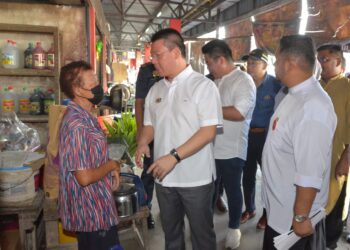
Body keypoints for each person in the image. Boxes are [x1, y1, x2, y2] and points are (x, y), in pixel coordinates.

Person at [135, 28, 222, 250]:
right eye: (151, 56)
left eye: (157, 55)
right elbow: (149, 125)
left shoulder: (203, 86)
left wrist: (173, 157)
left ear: (175, 52)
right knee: (172, 236)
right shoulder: (155, 89)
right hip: (164, 180)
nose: (153, 61)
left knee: (202, 237)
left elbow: (208, 131)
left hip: (196, 179)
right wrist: (143, 142)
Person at [261, 35, 337, 250]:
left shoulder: (313, 106)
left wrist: (301, 217)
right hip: (282, 211)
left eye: (276, 60)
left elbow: (310, 170)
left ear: (288, 63)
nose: (275, 65)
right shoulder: (293, 95)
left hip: (294, 222)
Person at [58, 61, 121, 250]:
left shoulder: (86, 116)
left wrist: (112, 170)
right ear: (78, 89)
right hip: (91, 212)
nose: (98, 85)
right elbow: (84, 178)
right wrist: (112, 165)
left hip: (98, 205)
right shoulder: (76, 124)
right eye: (92, 80)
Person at [202, 39, 256, 249]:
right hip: (210, 146)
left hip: (232, 149)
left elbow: (239, 113)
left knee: (233, 189)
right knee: (210, 190)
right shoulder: (215, 81)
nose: (208, 67)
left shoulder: (243, 81)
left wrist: (210, 109)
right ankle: (205, 225)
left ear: (221, 60)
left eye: (208, 63)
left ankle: (234, 228)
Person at [241, 49, 281, 230]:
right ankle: (250, 209)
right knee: (247, 175)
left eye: (254, 63)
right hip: (246, 136)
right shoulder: (243, 83)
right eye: (248, 63)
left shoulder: (276, 85)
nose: (249, 66)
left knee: (268, 177)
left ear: (265, 65)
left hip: (266, 136)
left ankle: (268, 214)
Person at [317, 44, 350, 249]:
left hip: (337, 157)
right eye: (319, 59)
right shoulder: (314, 86)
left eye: (325, 59)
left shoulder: (347, 88)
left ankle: (329, 244)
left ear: (338, 61)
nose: (321, 63)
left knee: (334, 207)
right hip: (313, 159)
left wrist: (346, 160)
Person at [135, 62, 162, 229]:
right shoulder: (146, 71)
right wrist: (140, 134)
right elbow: (139, 103)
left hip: (173, 132)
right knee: (149, 172)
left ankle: (170, 210)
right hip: (150, 130)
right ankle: (147, 210)